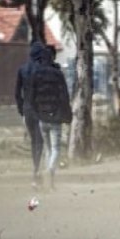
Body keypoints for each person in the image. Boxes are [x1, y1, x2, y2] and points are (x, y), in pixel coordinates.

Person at [29, 46, 72, 190]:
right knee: (55, 149)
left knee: (48, 149)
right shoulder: (57, 74)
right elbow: (64, 96)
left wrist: (37, 112)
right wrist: (67, 116)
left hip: (42, 118)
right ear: (52, 57)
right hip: (55, 117)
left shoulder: (37, 74)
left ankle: (49, 183)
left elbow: (31, 97)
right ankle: (50, 172)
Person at [15, 41, 46, 188]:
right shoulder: (42, 69)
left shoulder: (22, 69)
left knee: (35, 141)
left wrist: (22, 110)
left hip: (27, 111)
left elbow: (17, 93)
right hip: (40, 111)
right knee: (40, 141)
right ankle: (37, 172)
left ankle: (36, 171)